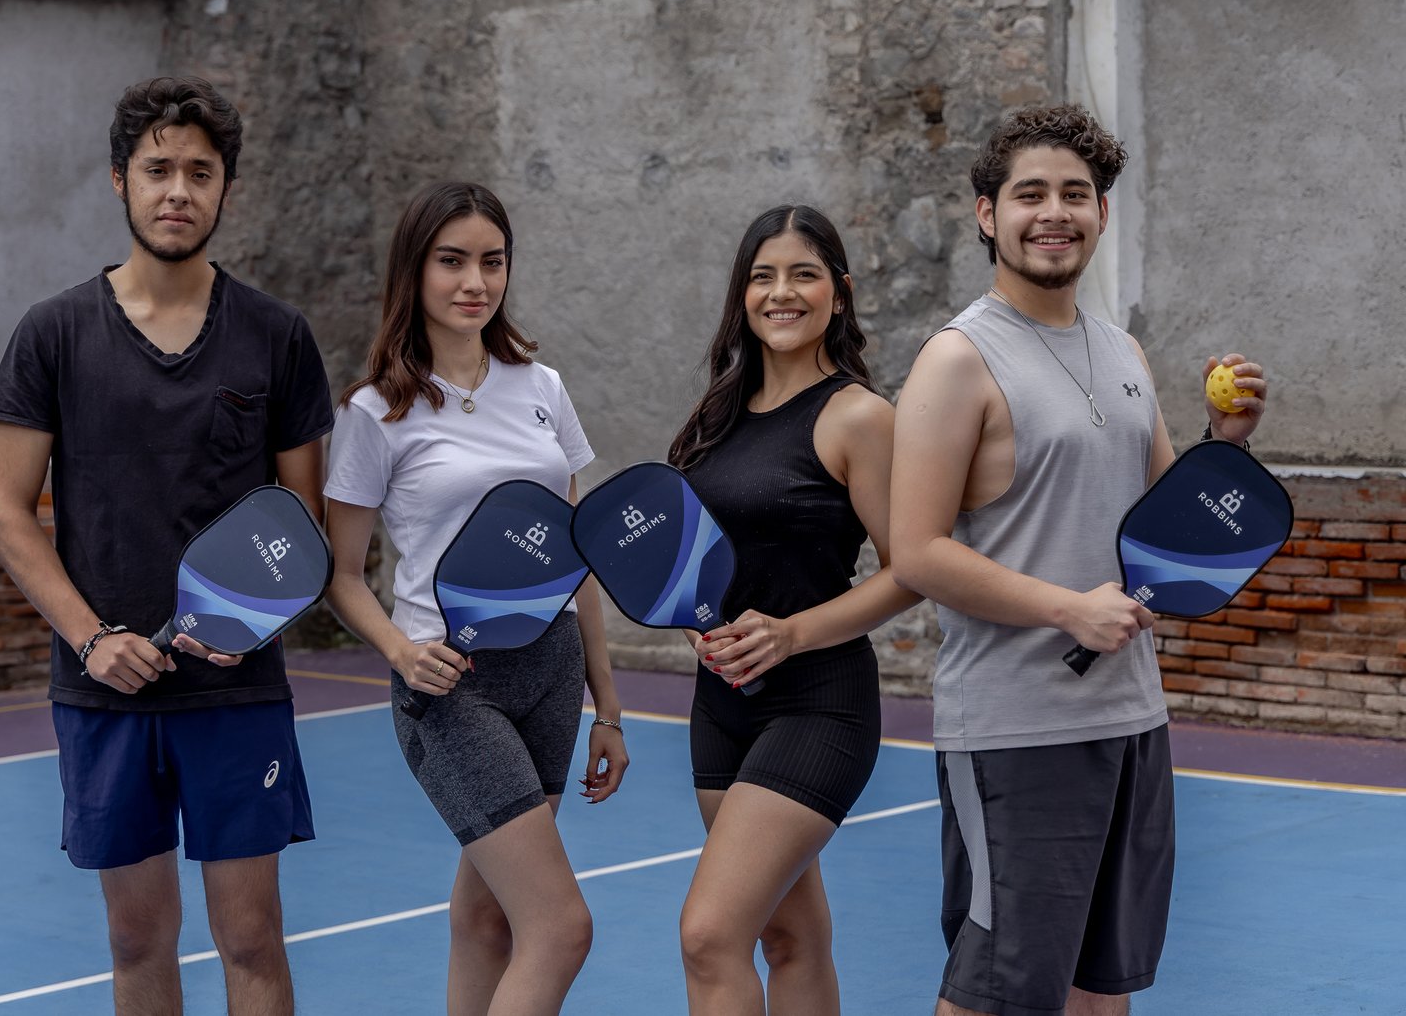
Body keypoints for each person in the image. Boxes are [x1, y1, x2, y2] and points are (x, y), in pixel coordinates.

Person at [890, 104, 1268, 1016]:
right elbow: (916, 550)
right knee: (999, 994)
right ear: (989, 214)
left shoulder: (1122, 348)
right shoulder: (956, 359)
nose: (1053, 213)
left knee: (1103, 987)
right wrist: (1068, 607)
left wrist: (1226, 443)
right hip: (1015, 726)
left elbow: (1169, 523)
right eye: (1030, 195)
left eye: (1075, 193)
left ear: (1101, 212)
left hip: (1132, 715)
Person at [0, 76, 332, 1015]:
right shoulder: (53, 333)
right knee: (137, 938)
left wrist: (255, 623)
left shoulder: (277, 335)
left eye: (200, 173)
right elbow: (4, 509)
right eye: (158, 169)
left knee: (251, 937)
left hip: (236, 694)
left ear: (226, 190)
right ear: (120, 179)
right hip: (106, 693)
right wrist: (93, 638)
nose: (178, 190)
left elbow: (302, 526)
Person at [322, 181, 628, 1016]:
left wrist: (607, 702)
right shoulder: (374, 411)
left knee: (486, 917)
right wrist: (400, 652)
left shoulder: (541, 385)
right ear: (414, 271)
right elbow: (341, 574)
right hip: (452, 682)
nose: (475, 282)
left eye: (492, 262)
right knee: (559, 927)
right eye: (452, 261)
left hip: (552, 669)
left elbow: (575, 550)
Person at [667, 205, 920, 1015]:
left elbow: (912, 569)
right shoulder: (717, 415)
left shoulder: (859, 416)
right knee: (789, 936)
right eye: (763, 276)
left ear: (838, 293)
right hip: (721, 704)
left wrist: (790, 633)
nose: (781, 292)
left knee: (709, 935)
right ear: (742, 295)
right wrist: (692, 613)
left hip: (818, 703)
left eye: (803, 274)